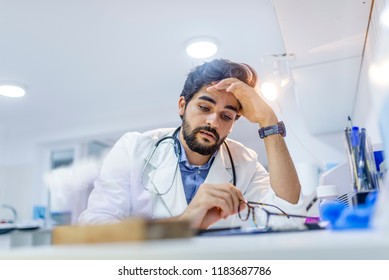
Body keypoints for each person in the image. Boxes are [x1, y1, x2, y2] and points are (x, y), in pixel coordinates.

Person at [78, 59, 305, 229]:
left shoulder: (245, 162)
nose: (212, 121)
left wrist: (269, 121)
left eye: (226, 116)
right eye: (204, 108)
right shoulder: (133, 148)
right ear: (182, 105)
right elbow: (94, 226)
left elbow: (287, 214)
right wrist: (185, 221)